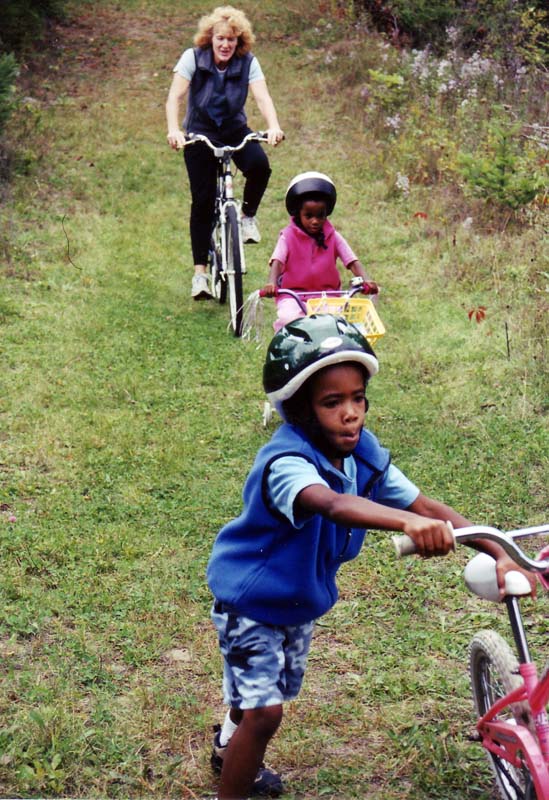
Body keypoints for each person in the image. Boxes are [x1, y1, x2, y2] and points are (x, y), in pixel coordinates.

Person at [205, 314, 535, 800]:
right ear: (299, 411)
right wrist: (404, 524)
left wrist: (502, 552)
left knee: (264, 691)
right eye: (332, 402)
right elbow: (332, 503)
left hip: (300, 604)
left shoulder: (362, 455)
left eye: (358, 398)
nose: (351, 413)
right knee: (265, 712)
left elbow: (426, 507)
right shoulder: (286, 463)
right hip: (250, 605)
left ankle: (227, 743)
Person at [165, 5, 284, 300]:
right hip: (199, 132)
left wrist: (273, 126)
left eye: (232, 39)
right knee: (203, 201)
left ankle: (246, 217)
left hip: (233, 128)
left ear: (239, 41)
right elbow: (174, 97)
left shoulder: (248, 62)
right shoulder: (192, 57)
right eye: (220, 38)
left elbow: (262, 95)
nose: (226, 44)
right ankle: (200, 275)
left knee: (259, 165)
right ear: (210, 38)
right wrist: (174, 130)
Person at [262, 172, 379, 331]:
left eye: (320, 215)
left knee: (334, 324)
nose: (315, 221)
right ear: (298, 214)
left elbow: (351, 261)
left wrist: (366, 279)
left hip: (327, 296)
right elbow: (277, 261)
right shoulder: (288, 236)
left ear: (327, 213)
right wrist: (272, 283)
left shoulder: (333, 236)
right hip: (293, 296)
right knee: (289, 320)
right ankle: (286, 349)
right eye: (308, 216)